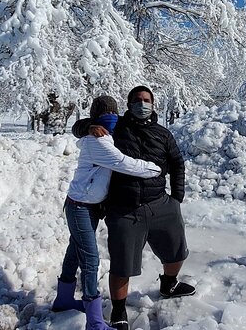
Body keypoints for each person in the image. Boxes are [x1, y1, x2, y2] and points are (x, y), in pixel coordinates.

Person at [74, 86, 194, 330]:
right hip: (124, 208)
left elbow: (177, 163)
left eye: (146, 100)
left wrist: (176, 197)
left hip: (160, 203)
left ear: (153, 103)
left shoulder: (163, 134)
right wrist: (87, 127)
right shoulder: (115, 128)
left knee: (176, 251)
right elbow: (81, 128)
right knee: (122, 263)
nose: (142, 104)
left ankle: (169, 284)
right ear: (128, 105)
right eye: (137, 100)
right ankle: (119, 310)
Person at [52, 95, 161, 330]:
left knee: (74, 251)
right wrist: (155, 169)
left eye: (114, 114)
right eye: (105, 116)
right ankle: (94, 322)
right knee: (90, 260)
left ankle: (63, 299)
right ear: (96, 119)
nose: (110, 119)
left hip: (91, 207)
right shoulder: (95, 141)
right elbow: (124, 163)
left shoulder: (111, 134)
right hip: (79, 206)